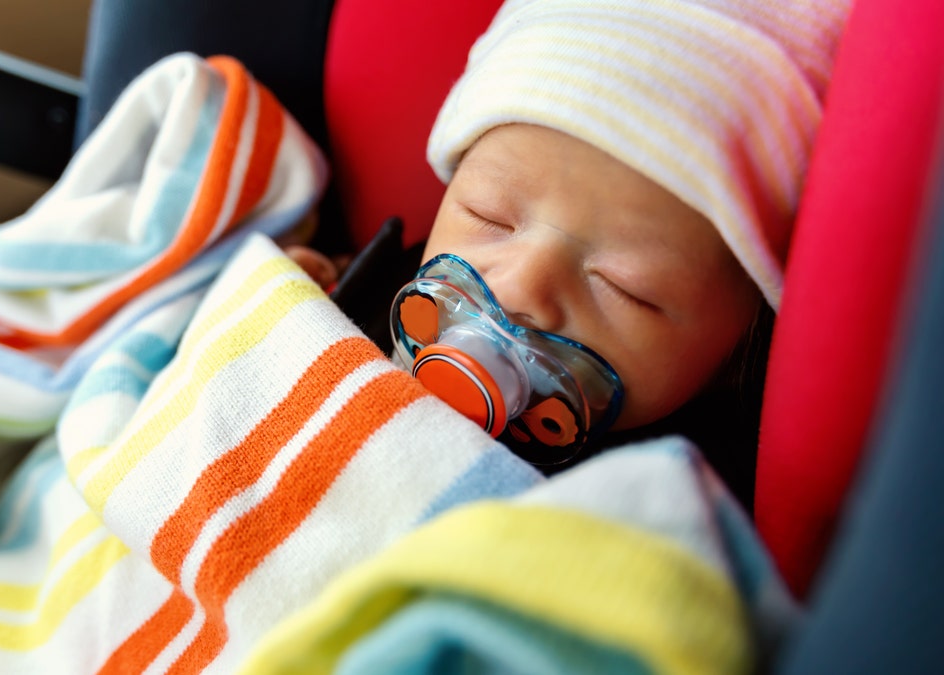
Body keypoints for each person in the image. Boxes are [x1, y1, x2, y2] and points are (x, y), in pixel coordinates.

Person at [287, 0, 852, 505]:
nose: (519, 287)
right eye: (490, 216)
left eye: (623, 286)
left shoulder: (685, 494)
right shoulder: (400, 288)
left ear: (737, 356)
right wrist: (321, 295)